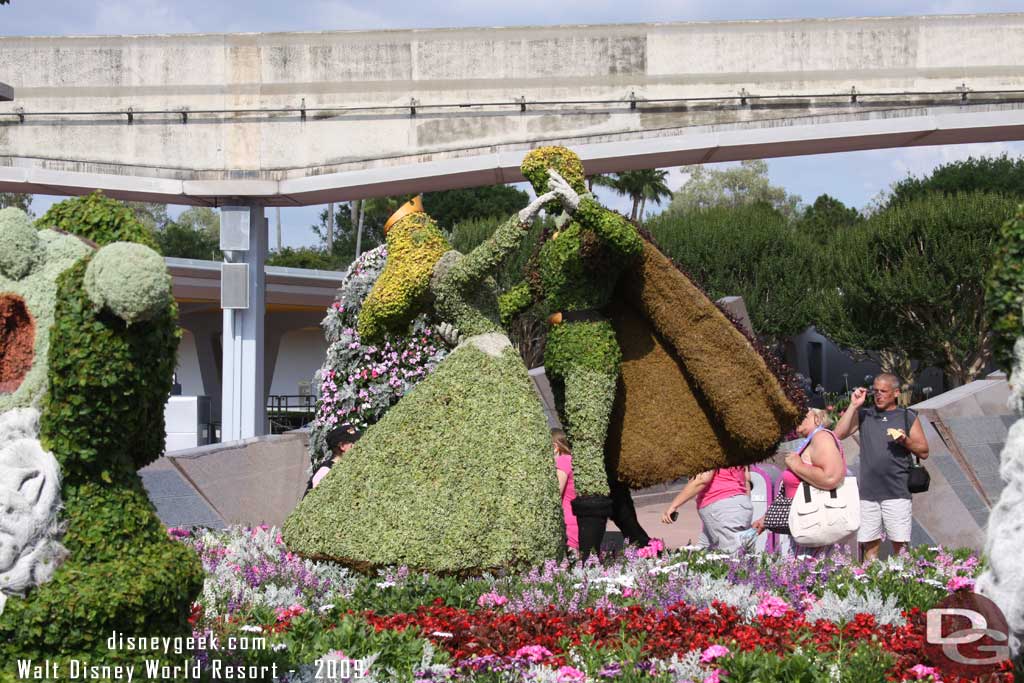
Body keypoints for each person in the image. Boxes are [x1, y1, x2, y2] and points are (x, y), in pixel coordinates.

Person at [833, 374, 930, 563]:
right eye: (875, 391)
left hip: (897, 491)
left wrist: (905, 441)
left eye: (883, 391)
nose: (878, 395)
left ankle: (904, 582)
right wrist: (853, 405)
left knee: (900, 546)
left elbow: (924, 451)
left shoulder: (906, 416)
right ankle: (870, 582)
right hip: (868, 493)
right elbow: (838, 434)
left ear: (895, 393)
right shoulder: (865, 414)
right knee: (869, 546)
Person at [753, 408, 848, 556]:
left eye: (802, 414)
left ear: (818, 417)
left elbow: (831, 477)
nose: (795, 418)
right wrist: (768, 517)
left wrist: (797, 465)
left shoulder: (821, 438)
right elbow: (795, 490)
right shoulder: (809, 441)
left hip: (817, 529)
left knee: (812, 575)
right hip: (806, 527)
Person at [661, 466, 754, 553]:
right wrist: (742, 508)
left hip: (721, 506)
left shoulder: (711, 450)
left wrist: (674, 505)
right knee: (703, 554)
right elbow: (747, 479)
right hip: (740, 504)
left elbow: (703, 479)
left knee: (732, 557)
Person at [306, 424, 362, 492]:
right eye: (355, 442)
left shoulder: (347, 465)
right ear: (342, 446)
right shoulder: (325, 472)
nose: (360, 445)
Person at [552, 428, 579, 551]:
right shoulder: (572, 459)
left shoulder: (562, 461)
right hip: (577, 519)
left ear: (555, 446)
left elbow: (556, 493)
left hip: (567, 524)